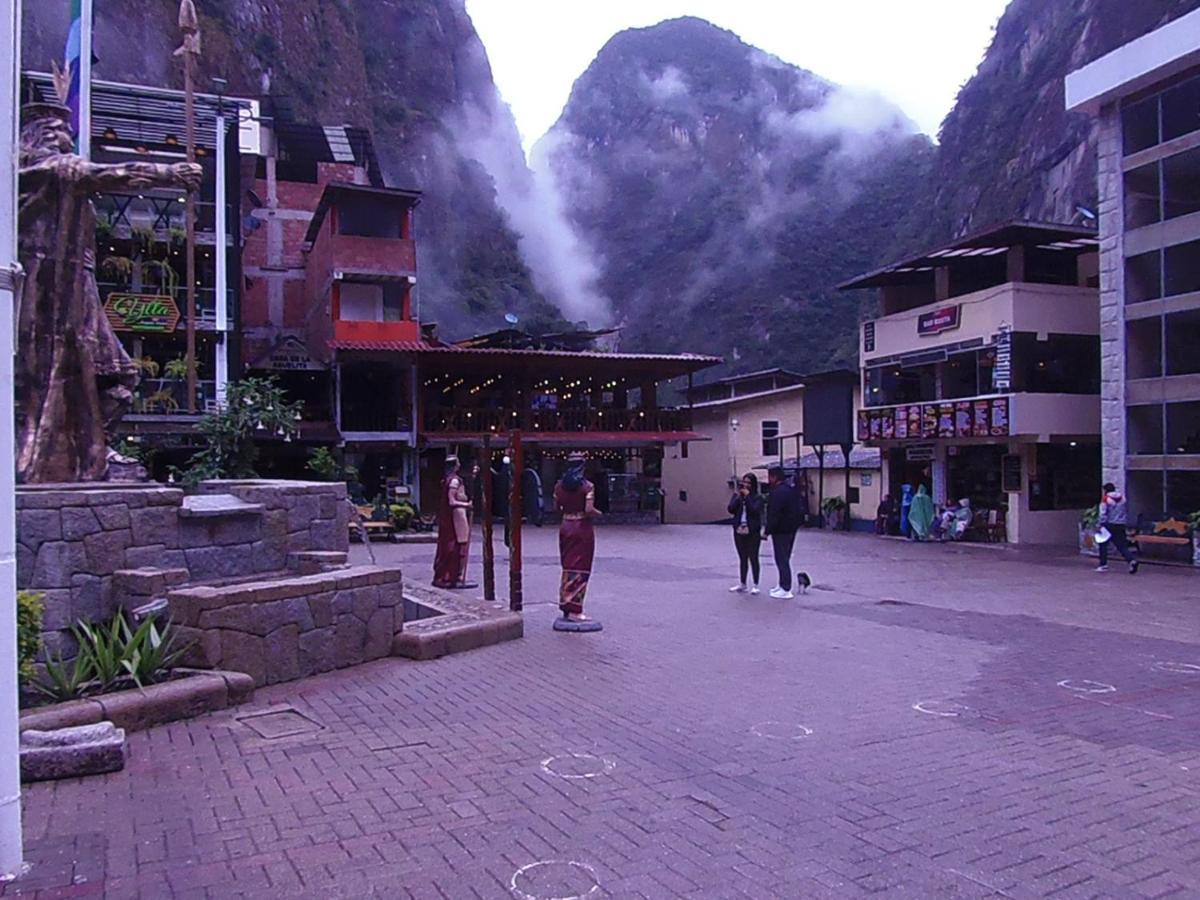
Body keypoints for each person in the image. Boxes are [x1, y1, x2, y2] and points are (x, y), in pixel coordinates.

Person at [554, 453, 602, 628]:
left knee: (567, 565)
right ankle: (575, 609)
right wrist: (599, 514)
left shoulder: (559, 486)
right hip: (582, 527)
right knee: (581, 567)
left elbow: (556, 507)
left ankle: (566, 604)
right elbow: (589, 509)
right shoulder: (587, 487)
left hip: (566, 525)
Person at [432, 456, 476, 589]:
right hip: (456, 515)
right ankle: (450, 576)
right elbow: (451, 501)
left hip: (455, 515)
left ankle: (454, 575)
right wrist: (466, 505)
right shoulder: (454, 481)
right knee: (455, 545)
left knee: (456, 544)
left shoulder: (449, 479)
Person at [765, 466, 807, 599]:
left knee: (781, 558)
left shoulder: (777, 492)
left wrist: (767, 531)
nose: (768, 480)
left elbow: (774, 513)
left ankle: (786, 587)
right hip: (790, 529)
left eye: (770, 477)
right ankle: (782, 584)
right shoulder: (790, 490)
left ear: (774, 477)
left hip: (781, 530)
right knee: (785, 557)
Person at [728, 473, 764, 594]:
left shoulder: (758, 498)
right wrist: (738, 497)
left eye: (749, 483)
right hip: (739, 529)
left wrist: (748, 498)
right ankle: (742, 583)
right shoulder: (738, 495)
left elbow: (755, 510)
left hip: (752, 531)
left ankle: (755, 584)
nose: (746, 485)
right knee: (742, 557)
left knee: (753, 557)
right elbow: (730, 509)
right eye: (745, 482)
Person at [1097, 482, 1139, 574]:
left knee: (1103, 544)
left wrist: (1100, 524)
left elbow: (1103, 513)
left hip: (1109, 524)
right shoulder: (1123, 498)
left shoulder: (1106, 499)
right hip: (1121, 524)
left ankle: (1103, 564)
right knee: (1121, 545)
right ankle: (1131, 559)